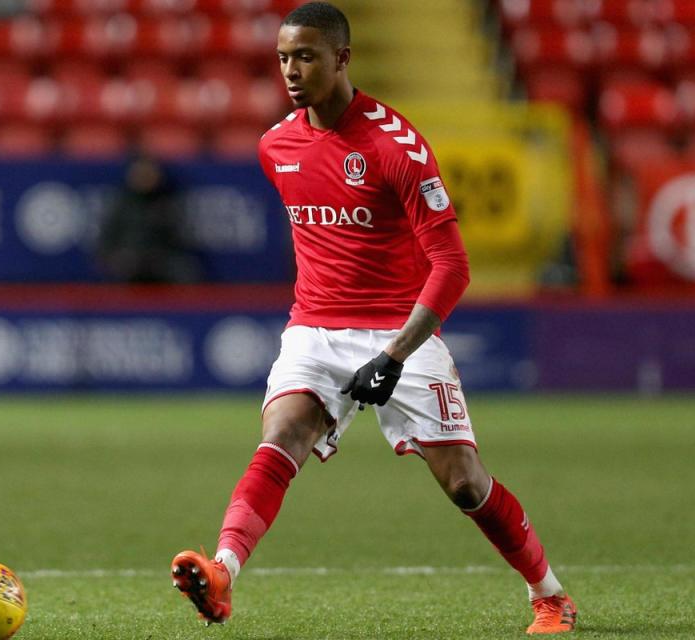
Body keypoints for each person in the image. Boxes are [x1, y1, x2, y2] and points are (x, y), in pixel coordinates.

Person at [171, 2, 576, 635]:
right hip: (313, 328)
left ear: (342, 57)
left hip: (398, 334)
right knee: (283, 433)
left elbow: (452, 265)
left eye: (305, 56)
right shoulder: (275, 147)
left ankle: (549, 595)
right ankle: (222, 572)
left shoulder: (397, 146)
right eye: (282, 58)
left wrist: (394, 356)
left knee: (466, 485)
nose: (291, 70)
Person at [96, 154, 202, 284]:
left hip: (161, 260)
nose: (145, 178)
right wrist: (118, 256)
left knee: (184, 269)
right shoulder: (121, 204)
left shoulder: (167, 201)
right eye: (140, 174)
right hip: (131, 260)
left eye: (149, 173)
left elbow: (179, 240)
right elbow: (105, 242)